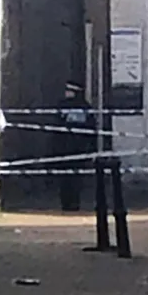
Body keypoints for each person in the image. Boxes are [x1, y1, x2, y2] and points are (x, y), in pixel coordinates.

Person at [54, 81, 90, 211]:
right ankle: (74, 202)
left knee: (66, 178)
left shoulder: (62, 105)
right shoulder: (85, 106)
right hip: (77, 148)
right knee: (75, 178)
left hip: (66, 148)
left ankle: (67, 202)